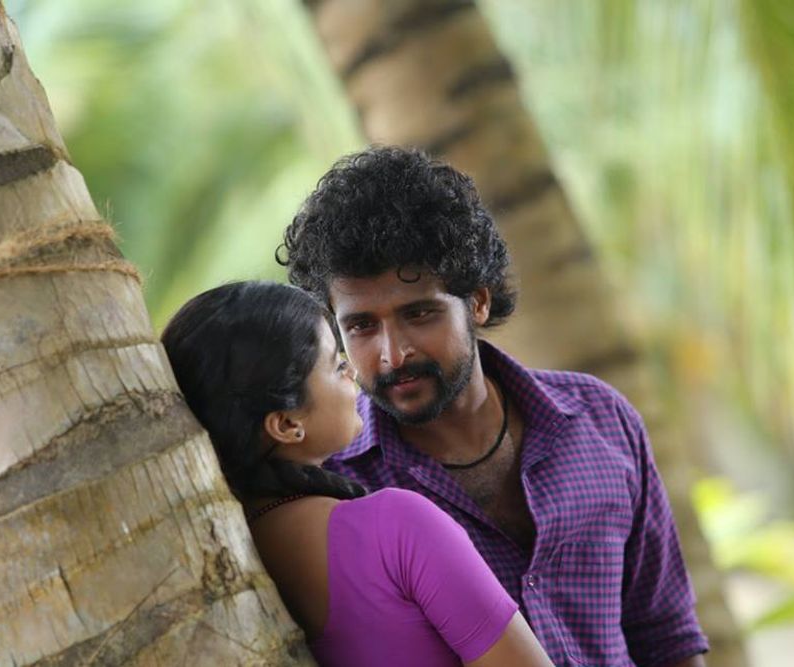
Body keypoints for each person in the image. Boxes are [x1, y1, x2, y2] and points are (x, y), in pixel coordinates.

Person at [278, 146, 710, 666]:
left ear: (478, 301)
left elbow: (666, 635)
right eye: (362, 326)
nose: (393, 353)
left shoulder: (600, 419)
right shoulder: (333, 488)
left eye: (419, 314)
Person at [161, 281, 553, 667]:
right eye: (336, 366)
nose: (352, 371)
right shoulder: (396, 527)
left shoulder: (199, 571)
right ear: (287, 424)